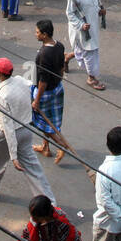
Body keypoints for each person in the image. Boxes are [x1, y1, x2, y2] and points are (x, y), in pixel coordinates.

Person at [0, 57, 54, 204]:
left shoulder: (2, 96)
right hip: (26, 130)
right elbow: (32, 85)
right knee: (34, 169)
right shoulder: (20, 80)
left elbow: (8, 127)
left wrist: (13, 155)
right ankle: (50, 203)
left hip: (8, 136)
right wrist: (35, 102)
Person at [31, 19, 76, 165]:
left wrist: (37, 100)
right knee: (52, 119)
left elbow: (43, 81)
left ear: (44, 34)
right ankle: (45, 147)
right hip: (57, 88)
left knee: (41, 122)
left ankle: (62, 145)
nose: (35, 34)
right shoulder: (59, 45)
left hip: (46, 92)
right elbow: (62, 67)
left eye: (37, 32)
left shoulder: (44, 54)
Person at [66, 0, 106, 91]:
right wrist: (81, 25)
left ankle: (66, 58)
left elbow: (95, 2)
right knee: (90, 52)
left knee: (85, 50)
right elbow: (70, 13)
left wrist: (99, 10)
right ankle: (91, 78)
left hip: (93, 25)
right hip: (82, 30)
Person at [16, 195, 83, 241]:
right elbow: (27, 233)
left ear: (44, 217)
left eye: (35, 218)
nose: (33, 219)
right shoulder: (38, 217)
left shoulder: (61, 225)